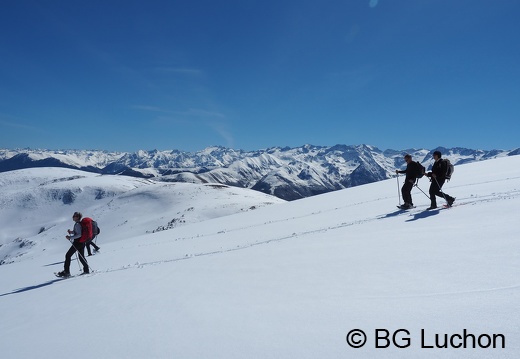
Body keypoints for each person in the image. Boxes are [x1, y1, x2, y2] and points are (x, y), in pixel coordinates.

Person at [56, 212, 90, 277]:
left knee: (68, 255)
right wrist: (71, 232)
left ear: (77, 217)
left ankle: (66, 272)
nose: (73, 217)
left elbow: (79, 234)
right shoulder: (79, 224)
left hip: (78, 242)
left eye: (74, 216)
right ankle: (86, 270)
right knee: (81, 257)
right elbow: (78, 232)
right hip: (82, 242)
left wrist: (70, 237)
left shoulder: (77, 224)